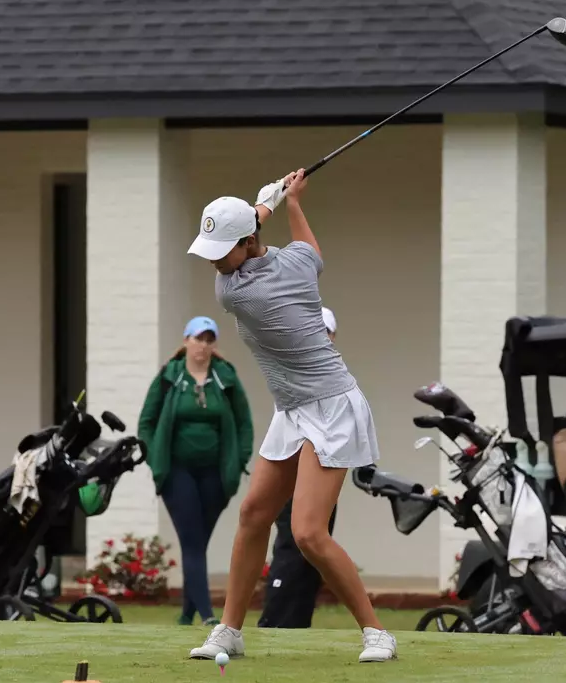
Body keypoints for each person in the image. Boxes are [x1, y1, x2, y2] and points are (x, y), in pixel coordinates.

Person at [184, 170, 397, 663]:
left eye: (222, 251)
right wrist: (293, 201)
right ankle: (230, 630)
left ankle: (376, 632)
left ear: (248, 242)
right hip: (293, 409)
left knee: (306, 533)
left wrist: (270, 202)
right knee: (254, 514)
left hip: (333, 407)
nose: (214, 263)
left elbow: (262, 226)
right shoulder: (298, 262)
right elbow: (309, 249)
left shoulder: (236, 295)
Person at [137, 315, 255, 626]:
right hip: (177, 471)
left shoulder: (225, 377)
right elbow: (146, 422)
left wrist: (239, 459)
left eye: (208, 339)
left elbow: (244, 423)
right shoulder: (170, 375)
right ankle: (207, 615)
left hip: (216, 474)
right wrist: (154, 459)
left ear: (213, 345)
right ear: (186, 341)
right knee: (191, 540)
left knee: (198, 542)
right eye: (197, 338)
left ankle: (187, 614)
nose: (202, 345)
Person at [257, 306, 340, 629]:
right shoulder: (295, 372)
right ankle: (275, 621)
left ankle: (297, 623)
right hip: (292, 479)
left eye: (326, 333)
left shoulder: (336, 379)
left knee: (312, 557)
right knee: (292, 550)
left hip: (322, 481)